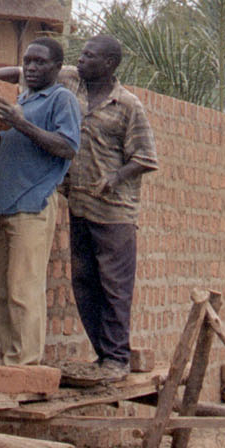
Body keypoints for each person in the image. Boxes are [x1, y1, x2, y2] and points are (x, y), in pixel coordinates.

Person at [58, 34, 158, 379]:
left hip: (114, 211)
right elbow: (31, 68)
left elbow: (145, 158)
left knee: (114, 284)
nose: (81, 60)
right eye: (81, 54)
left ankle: (117, 357)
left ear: (109, 64)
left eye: (89, 56)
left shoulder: (128, 105)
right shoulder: (72, 84)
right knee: (84, 281)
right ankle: (104, 355)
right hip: (80, 203)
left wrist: (115, 178)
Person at [0, 36, 79, 366]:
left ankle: (26, 363)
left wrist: (21, 124)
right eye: (28, 61)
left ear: (55, 67)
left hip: (33, 203)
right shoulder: (22, 99)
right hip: (1, 204)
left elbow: (67, 146)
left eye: (40, 62)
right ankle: (11, 359)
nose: (32, 67)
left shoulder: (61, 99)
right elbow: (7, 149)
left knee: (24, 289)